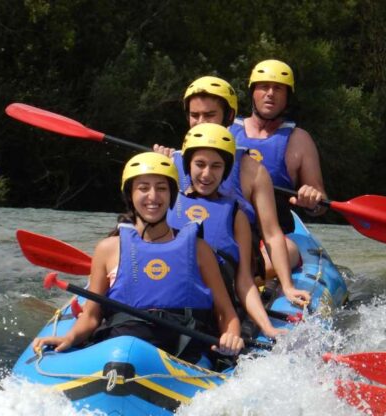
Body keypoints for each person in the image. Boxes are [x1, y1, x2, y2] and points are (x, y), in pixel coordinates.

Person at [32, 152, 244, 362]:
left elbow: (226, 313)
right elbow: (91, 315)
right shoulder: (108, 249)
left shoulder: (198, 249)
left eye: (161, 188)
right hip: (120, 346)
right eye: (143, 188)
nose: (153, 196)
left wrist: (231, 335)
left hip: (181, 350)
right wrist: (69, 337)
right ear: (130, 195)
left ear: (171, 195)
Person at [154, 76, 310, 305]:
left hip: (231, 263)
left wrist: (287, 286)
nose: (200, 123)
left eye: (209, 115)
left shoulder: (252, 170)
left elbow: (271, 234)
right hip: (177, 258)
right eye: (194, 115)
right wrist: (158, 170)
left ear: (228, 117)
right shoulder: (169, 162)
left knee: (290, 249)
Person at [168, 123, 287, 339]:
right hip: (168, 302)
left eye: (216, 166)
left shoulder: (235, 214)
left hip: (211, 310)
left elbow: (244, 281)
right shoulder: (165, 204)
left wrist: (267, 327)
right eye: (200, 164)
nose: (207, 174)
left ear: (225, 171)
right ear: (187, 165)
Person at [229, 59, 328, 233]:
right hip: (230, 227)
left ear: (287, 97)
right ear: (253, 92)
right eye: (264, 86)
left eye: (278, 88)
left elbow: (322, 204)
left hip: (275, 230)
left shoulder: (300, 140)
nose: (270, 93)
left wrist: (313, 201)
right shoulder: (226, 132)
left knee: (270, 259)